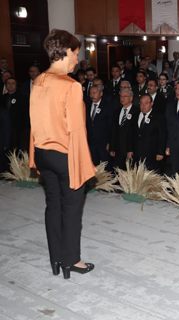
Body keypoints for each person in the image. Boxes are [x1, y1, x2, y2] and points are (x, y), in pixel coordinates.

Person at [29, 29, 95, 279]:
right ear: (66, 51)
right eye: (76, 53)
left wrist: (34, 155)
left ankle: (56, 258)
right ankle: (72, 261)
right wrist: (84, 166)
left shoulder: (38, 81)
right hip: (66, 156)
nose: (77, 59)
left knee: (53, 205)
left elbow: (34, 122)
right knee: (71, 210)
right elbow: (77, 131)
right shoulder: (71, 86)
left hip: (43, 153)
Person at [128, 95, 166, 172]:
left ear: (151, 103)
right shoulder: (135, 115)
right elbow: (130, 134)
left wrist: (160, 152)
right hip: (136, 154)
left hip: (152, 154)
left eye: (146, 103)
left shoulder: (159, 117)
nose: (143, 106)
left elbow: (162, 135)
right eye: (141, 103)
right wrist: (129, 149)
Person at [85, 85, 113, 167]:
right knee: (94, 166)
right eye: (90, 93)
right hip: (91, 143)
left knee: (106, 167)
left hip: (103, 143)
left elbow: (111, 126)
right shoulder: (87, 105)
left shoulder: (107, 106)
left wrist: (109, 143)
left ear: (101, 93)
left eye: (94, 93)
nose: (92, 95)